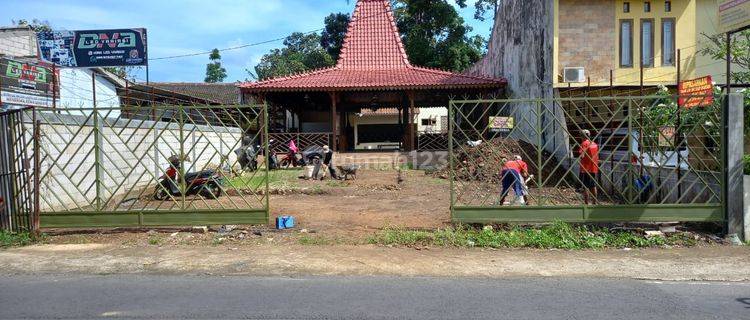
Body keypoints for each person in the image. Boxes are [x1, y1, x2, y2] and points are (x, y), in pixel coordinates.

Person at [577, 129, 600, 204]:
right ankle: (594, 202)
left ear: (582, 136)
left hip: (586, 169)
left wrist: (581, 157)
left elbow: (582, 155)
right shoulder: (594, 144)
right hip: (594, 168)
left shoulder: (584, 144)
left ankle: (586, 203)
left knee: (585, 186)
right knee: (593, 185)